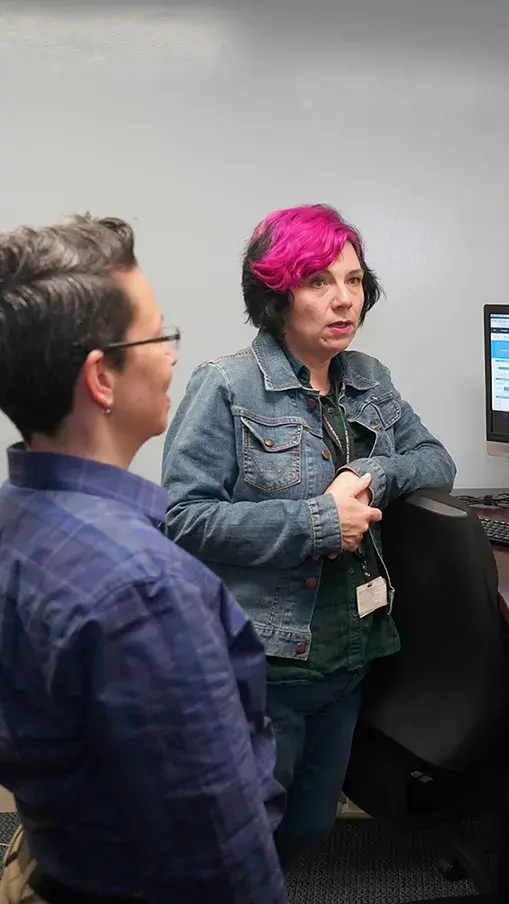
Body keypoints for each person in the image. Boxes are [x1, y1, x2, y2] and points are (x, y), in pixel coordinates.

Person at [0, 217, 295, 904]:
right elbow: (218, 861)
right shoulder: (146, 590)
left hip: (44, 864)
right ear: (101, 376)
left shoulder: (15, 516)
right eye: (158, 335)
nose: (171, 357)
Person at [161, 203, 457, 865]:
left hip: (350, 654)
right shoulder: (227, 386)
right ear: (277, 294)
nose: (343, 299)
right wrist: (322, 520)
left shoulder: (370, 379)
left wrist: (371, 474)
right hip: (264, 663)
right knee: (242, 841)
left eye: (353, 281)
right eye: (318, 282)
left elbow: (436, 461)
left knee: (308, 829)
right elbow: (184, 520)